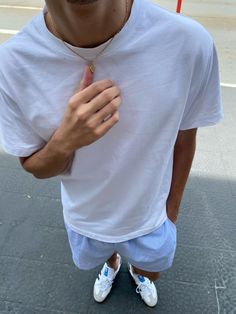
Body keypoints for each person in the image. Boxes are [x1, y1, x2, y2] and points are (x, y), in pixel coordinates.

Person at [0, 0, 223, 308]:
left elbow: (184, 139)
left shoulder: (188, 42)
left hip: (151, 218)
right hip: (84, 220)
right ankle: (113, 262)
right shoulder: (11, 64)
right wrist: (66, 140)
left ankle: (135, 270)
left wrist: (171, 214)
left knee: (151, 271)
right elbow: (35, 167)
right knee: (102, 255)